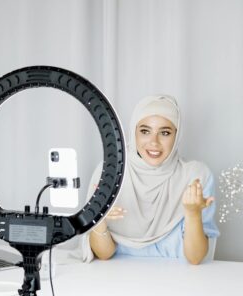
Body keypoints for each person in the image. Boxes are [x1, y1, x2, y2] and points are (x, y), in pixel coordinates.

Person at [88, 95, 219, 264]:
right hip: (119, 281)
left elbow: (195, 258)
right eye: (145, 131)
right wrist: (99, 219)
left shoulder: (195, 176)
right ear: (133, 132)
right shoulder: (110, 172)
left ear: (177, 136)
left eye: (165, 133)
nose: (154, 142)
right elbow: (104, 255)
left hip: (180, 282)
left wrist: (193, 213)